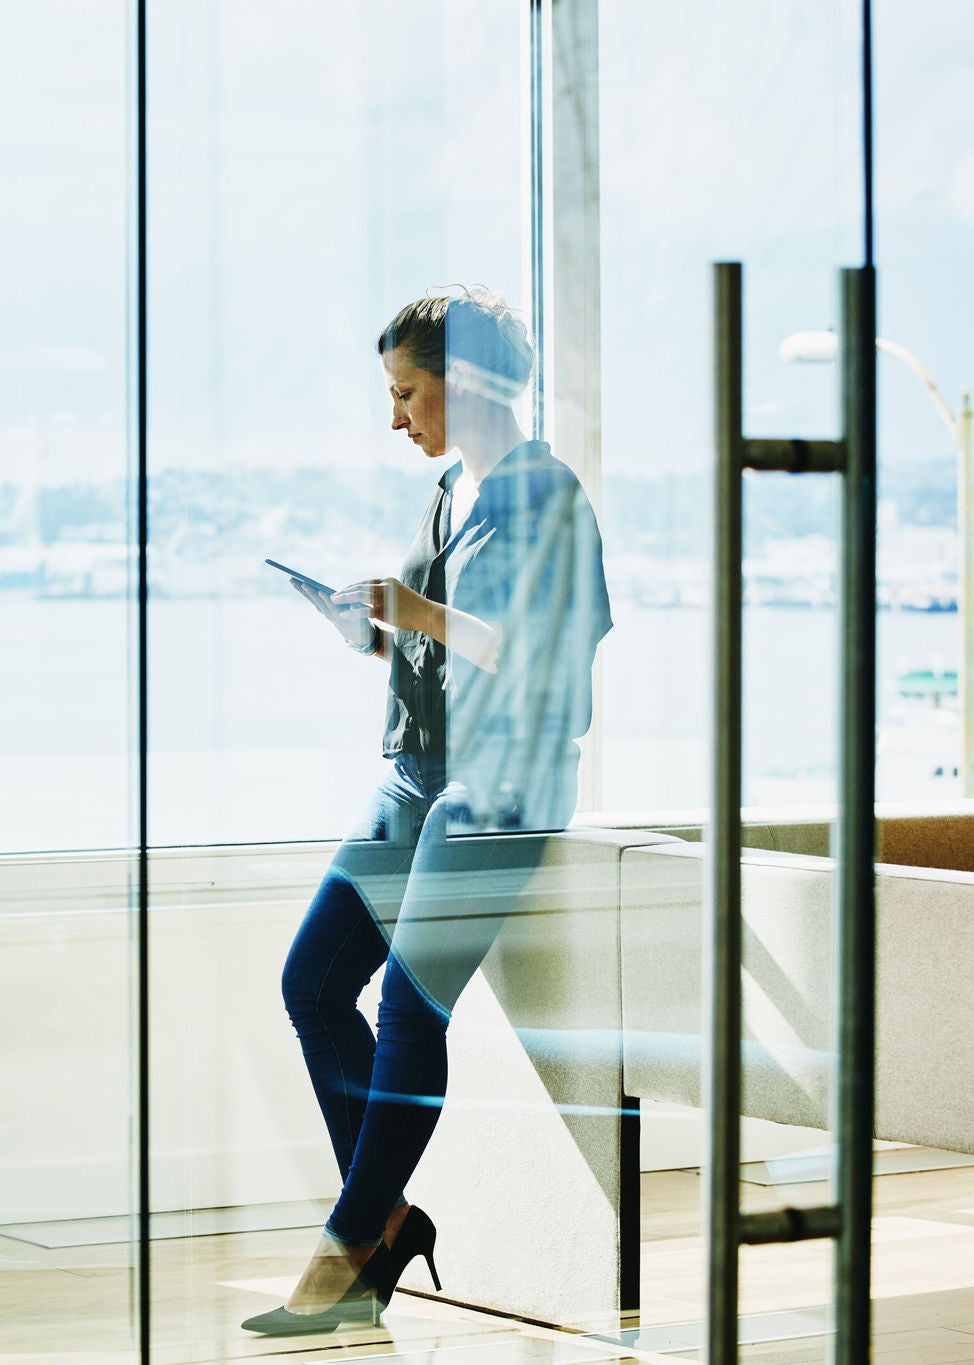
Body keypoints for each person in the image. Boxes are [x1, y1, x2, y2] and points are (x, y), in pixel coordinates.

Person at [243, 287, 612, 1336]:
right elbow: (442, 643)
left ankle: (345, 1248)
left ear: (473, 383)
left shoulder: (543, 497)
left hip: (499, 785)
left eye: (406, 393)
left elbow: (531, 655)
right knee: (310, 984)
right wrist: (370, 632)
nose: (394, 417)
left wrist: (409, 611)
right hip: (415, 771)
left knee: (408, 1008)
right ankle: (387, 1216)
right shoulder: (453, 489)